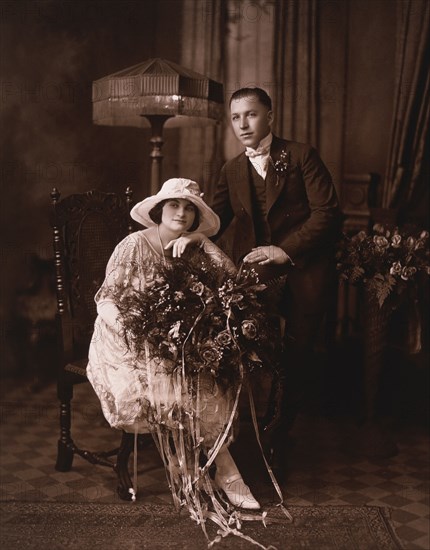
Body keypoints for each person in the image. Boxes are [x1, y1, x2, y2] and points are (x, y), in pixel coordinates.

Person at [86, 178, 261, 521]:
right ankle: (202, 470)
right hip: (121, 337)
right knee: (166, 378)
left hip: (173, 341)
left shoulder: (194, 245)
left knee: (202, 371)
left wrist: (201, 241)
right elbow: (106, 301)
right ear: (158, 210)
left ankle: (215, 466)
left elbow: (232, 278)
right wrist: (138, 332)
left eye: (189, 208)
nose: (181, 213)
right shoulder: (133, 245)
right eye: (173, 205)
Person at [210, 87, 342, 465]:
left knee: (296, 355)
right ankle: (245, 430)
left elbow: (327, 214)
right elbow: (214, 221)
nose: (243, 124)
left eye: (250, 114)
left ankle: (278, 434)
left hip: (304, 268)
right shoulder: (232, 169)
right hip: (256, 277)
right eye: (236, 117)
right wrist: (172, 234)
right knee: (247, 349)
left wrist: (285, 250)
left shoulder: (301, 155)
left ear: (270, 116)